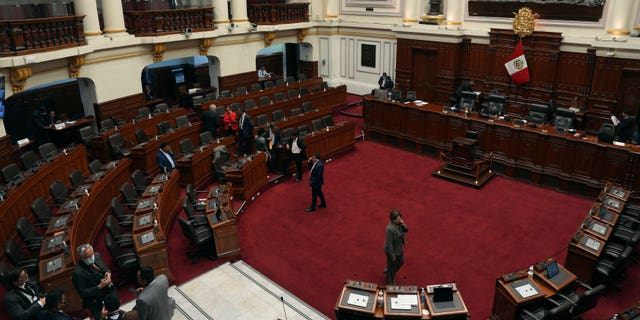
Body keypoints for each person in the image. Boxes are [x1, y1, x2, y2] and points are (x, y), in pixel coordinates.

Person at [72, 244, 118, 320]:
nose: (91, 258)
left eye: (92, 254)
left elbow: (105, 268)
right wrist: (99, 287)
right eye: (88, 256)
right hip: (96, 300)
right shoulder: (78, 273)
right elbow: (83, 293)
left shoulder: (97, 256)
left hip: (109, 292)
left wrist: (108, 274)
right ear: (81, 257)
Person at [384, 209, 408, 285]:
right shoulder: (389, 229)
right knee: (392, 266)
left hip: (399, 249)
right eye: (398, 219)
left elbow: (406, 230)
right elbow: (389, 243)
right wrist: (392, 255)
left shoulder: (399, 224)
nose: (400, 220)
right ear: (393, 220)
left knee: (401, 262)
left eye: (400, 218)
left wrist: (403, 224)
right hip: (392, 251)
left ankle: (389, 272)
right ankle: (390, 282)